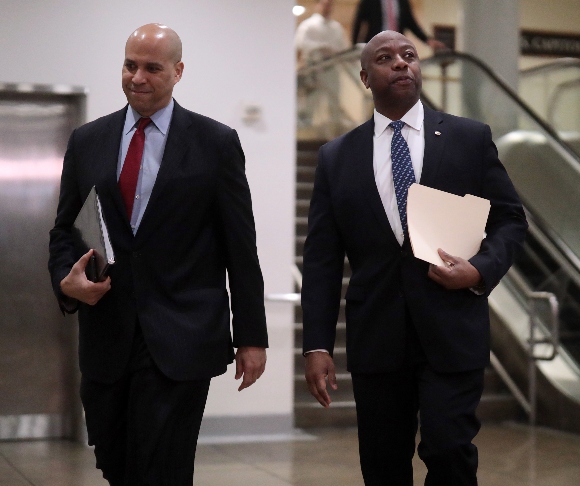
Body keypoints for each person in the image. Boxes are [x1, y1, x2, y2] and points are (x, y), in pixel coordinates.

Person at [301, 30, 527, 485]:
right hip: (377, 338)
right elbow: (322, 261)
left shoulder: (469, 138)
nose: (401, 64)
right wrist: (318, 345)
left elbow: (510, 221)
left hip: (452, 330)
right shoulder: (337, 157)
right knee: (383, 466)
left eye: (409, 55)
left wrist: (479, 271)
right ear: (365, 77)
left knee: (448, 450)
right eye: (385, 58)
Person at [48, 23, 268, 485]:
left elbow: (239, 247)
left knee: (160, 466)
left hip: (183, 334)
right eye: (130, 65)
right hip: (108, 333)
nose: (138, 77)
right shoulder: (88, 140)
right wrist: (65, 283)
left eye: (152, 68)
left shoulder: (216, 143)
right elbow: (65, 230)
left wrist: (251, 336)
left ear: (178, 71)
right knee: (116, 461)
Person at [352, 0, 446, 49]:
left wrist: (427, 40)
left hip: (397, 46)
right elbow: (358, 23)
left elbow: (411, 23)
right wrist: (355, 45)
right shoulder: (370, 1)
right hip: (376, 46)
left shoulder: (402, 2)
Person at [295, 0, 348, 66]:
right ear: (317, 5)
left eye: (329, 5)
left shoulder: (337, 27)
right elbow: (299, 46)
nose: (326, 8)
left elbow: (344, 49)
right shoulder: (308, 25)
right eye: (324, 4)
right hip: (312, 66)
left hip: (333, 67)